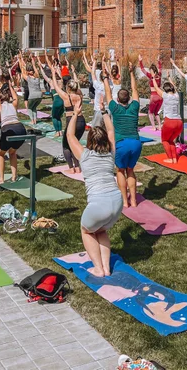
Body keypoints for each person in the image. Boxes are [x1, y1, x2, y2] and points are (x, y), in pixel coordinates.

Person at [65, 101, 122, 277]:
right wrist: (104, 111)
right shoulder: (110, 152)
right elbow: (111, 131)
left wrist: (75, 113)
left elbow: (70, 135)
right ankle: (106, 267)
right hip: (117, 201)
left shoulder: (84, 155)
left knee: (86, 231)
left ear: (89, 141)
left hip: (100, 203)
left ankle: (98, 268)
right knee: (101, 230)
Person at [105, 63, 141, 208]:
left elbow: (108, 93)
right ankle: (133, 200)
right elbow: (135, 89)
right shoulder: (135, 106)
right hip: (136, 143)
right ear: (129, 99)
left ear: (118, 100)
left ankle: (125, 202)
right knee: (130, 170)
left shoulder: (114, 108)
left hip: (121, 143)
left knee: (120, 170)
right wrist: (132, 72)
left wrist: (105, 79)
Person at [50, 65, 86, 172]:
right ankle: (78, 167)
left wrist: (53, 73)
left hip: (72, 122)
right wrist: (74, 73)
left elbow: (56, 87)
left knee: (66, 145)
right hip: (81, 121)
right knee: (74, 144)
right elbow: (77, 85)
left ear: (68, 88)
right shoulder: (80, 95)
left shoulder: (66, 96)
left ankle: (71, 168)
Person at [0, 81, 26, 184]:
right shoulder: (14, 104)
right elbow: (16, 97)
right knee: (12, 152)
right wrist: (10, 86)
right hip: (20, 129)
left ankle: (1, 178)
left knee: (0, 154)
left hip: (8, 128)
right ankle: (14, 176)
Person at [152, 78, 182, 163]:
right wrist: (170, 78)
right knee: (171, 140)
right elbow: (175, 88)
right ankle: (174, 158)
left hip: (170, 122)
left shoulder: (165, 95)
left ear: (165, 89)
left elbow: (156, 87)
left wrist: (153, 77)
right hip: (179, 122)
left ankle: (170, 158)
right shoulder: (177, 96)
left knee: (165, 140)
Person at [139, 55, 163, 131]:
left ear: (151, 71)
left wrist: (140, 61)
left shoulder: (150, 76)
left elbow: (142, 70)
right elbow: (160, 68)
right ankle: (159, 126)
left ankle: (153, 127)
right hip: (160, 96)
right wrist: (158, 61)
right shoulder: (159, 75)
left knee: (150, 112)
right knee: (156, 112)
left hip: (154, 97)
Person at [20, 58, 42, 124]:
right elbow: (37, 72)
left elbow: (22, 73)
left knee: (29, 108)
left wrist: (23, 67)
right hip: (40, 95)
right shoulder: (37, 78)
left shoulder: (28, 78)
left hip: (33, 95)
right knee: (34, 107)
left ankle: (32, 121)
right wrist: (33, 65)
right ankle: (35, 120)